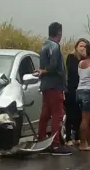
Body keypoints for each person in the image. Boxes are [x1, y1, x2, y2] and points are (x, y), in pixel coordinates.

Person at [35, 22, 72, 155]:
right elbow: (55, 66)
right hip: (55, 85)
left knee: (45, 114)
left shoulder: (44, 46)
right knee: (57, 114)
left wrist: (42, 71)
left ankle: (41, 140)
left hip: (45, 85)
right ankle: (56, 145)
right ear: (59, 32)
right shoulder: (55, 47)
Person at [65, 38, 89, 146]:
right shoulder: (71, 58)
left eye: (85, 46)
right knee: (70, 114)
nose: (83, 48)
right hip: (71, 89)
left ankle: (78, 136)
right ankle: (69, 138)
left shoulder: (86, 60)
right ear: (76, 47)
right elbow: (73, 71)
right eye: (81, 46)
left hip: (82, 89)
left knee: (80, 114)